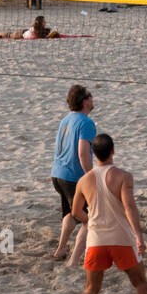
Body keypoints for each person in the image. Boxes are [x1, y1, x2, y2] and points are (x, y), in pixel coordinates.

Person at [73, 133, 147, 294]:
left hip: (96, 241)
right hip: (121, 239)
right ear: (113, 151)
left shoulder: (84, 180)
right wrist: (139, 235)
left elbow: (75, 212)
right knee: (140, 283)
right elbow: (129, 207)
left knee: (90, 290)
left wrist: (90, 220)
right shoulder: (123, 176)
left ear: (93, 153)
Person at [52, 84, 97, 261]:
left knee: (70, 213)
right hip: (73, 177)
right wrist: (91, 176)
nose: (93, 98)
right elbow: (82, 152)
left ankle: (61, 250)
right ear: (84, 101)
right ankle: (74, 260)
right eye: (90, 95)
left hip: (57, 175)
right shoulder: (86, 123)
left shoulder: (65, 120)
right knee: (90, 219)